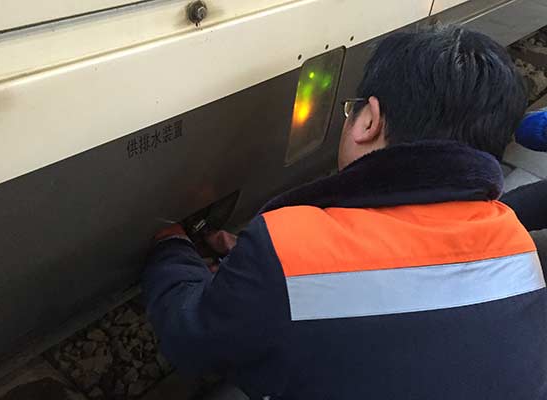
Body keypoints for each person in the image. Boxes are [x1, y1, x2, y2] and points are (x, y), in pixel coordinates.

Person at [142, 26, 547, 399]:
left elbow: (191, 338)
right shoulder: (516, 245)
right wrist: (266, 271)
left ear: (368, 120)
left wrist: (172, 250)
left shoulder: (291, 245)